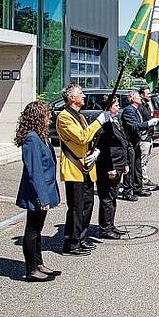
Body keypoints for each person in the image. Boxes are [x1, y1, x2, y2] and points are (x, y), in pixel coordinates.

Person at [56, 83, 108, 256]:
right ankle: (71, 244)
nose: (84, 96)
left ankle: (81, 238)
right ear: (71, 98)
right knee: (76, 207)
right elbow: (81, 137)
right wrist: (99, 121)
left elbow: (89, 138)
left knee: (87, 204)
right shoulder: (64, 117)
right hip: (74, 167)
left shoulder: (79, 116)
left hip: (86, 166)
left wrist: (96, 150)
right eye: (81, 94)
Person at [15, 101, 62, 282]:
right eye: (46, 114)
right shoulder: (32, 138)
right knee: (32, 230)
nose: (49, 117)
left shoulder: (41, 136)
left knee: (38, 229)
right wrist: (42, 198)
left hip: (44, 189)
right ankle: (31, 269)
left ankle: (39, 263)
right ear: (37, 117)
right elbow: (34, 171)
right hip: (36, 192)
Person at [95, 95, 131, 240]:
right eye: (115, 105)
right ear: (109, 107)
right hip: (109, 166)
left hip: (119, 164)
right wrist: (110, 168)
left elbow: (123, 142)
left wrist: (125, 163)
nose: (118, 108)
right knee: (107, 197)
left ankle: (110, 225)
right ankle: (104, 229)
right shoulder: (105, 124)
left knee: (113, 196)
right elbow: (104, 148)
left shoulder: (115, 121)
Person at [121, 90, 158, 200]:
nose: (140, 98)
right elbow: (133, 126)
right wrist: (148, 123)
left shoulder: (136, 110)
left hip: (136, 142)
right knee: (130, 167)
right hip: (130, 143)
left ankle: (137, 188)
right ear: (132, 99)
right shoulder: (129, 110)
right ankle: (127, 191)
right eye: (138, 97)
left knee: (137, 166)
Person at [137, 86, 158, 189]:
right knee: (142, 160)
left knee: (145, 160)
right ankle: (141, 181)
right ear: (141, 95)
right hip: (143, 138)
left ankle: (145, 178)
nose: (149, 95)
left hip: (149, 137)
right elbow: (140, 123)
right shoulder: (140, 107)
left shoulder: (147, 106)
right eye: (147, 93)